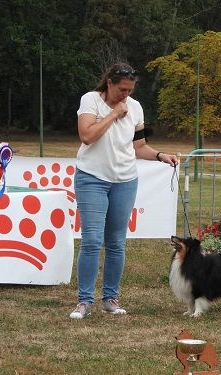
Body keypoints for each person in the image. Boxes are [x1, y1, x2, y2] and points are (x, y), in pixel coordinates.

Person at [70, 62, 178, 319]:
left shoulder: (136, 107)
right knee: (93, 241)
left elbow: (139, 147)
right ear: (109, 83)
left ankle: (110, 298)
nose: (126, 95)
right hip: (92, 178)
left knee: (117, 242)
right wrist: (113, 114)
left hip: (125, 180)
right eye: (122, 89)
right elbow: (86, 136)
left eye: (130, 91)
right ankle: (84, 301)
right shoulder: (91, 101)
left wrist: (161, 155)